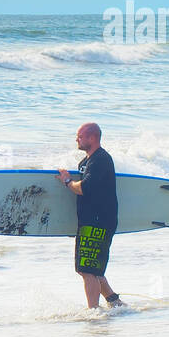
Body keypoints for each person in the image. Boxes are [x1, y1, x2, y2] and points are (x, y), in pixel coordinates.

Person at [57, 123, 124, 309]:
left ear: (92, 138)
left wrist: (67, 181)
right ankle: (114, 302)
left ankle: (93, 312)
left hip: (98, 222)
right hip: (90, 221)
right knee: (92, 269)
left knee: (87, 271)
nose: (76, 139)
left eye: (80, 136)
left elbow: (84, 189)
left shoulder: (101, 160)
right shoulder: (85, 163)